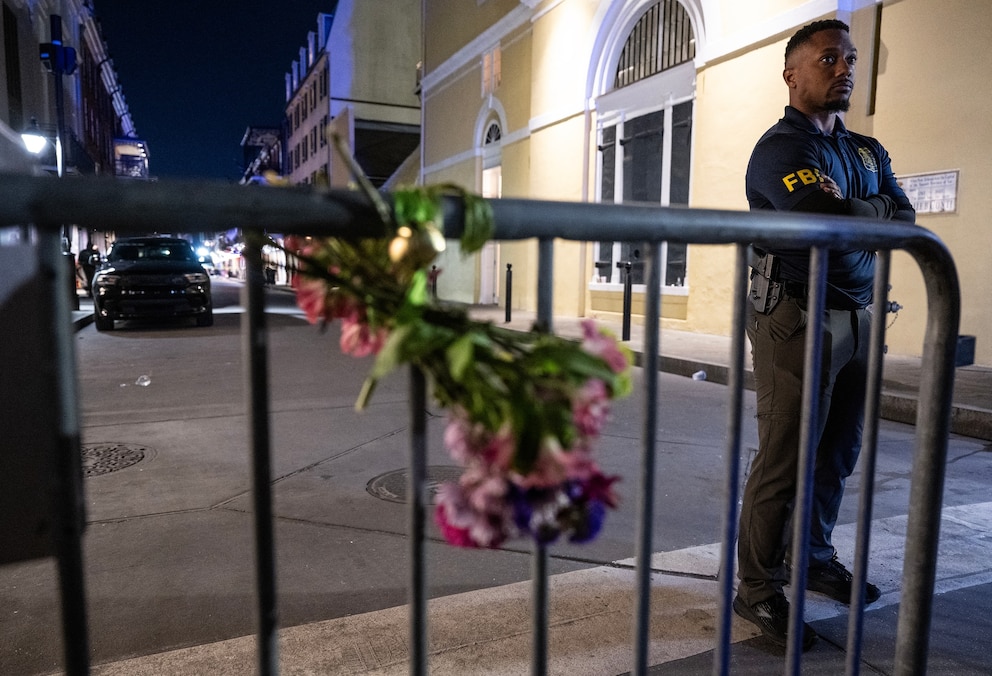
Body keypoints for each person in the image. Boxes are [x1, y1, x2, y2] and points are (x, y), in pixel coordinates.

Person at [734, 19, 915, 650]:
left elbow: (905, 212)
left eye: (851, 59)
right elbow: (823, 217)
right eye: (828, 58)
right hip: (795, 315)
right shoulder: (781, 149)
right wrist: (869, 210)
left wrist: (862, 208)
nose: (843, 68)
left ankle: (809, 556)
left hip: (860, 314)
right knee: (785, 455)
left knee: (839, 451)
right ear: (791, 74)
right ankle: (756, 590)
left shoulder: (865, 151)